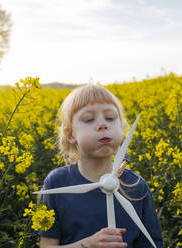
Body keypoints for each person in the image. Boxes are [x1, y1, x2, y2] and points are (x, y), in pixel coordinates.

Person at [38, 84, 163, 248]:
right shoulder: (56, 183)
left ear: (122, 128)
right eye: (89, 119)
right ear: (70, 135)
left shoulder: (137, 186)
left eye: (110, 118)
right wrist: (89, 244)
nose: (103, 124)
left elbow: (152, 244)